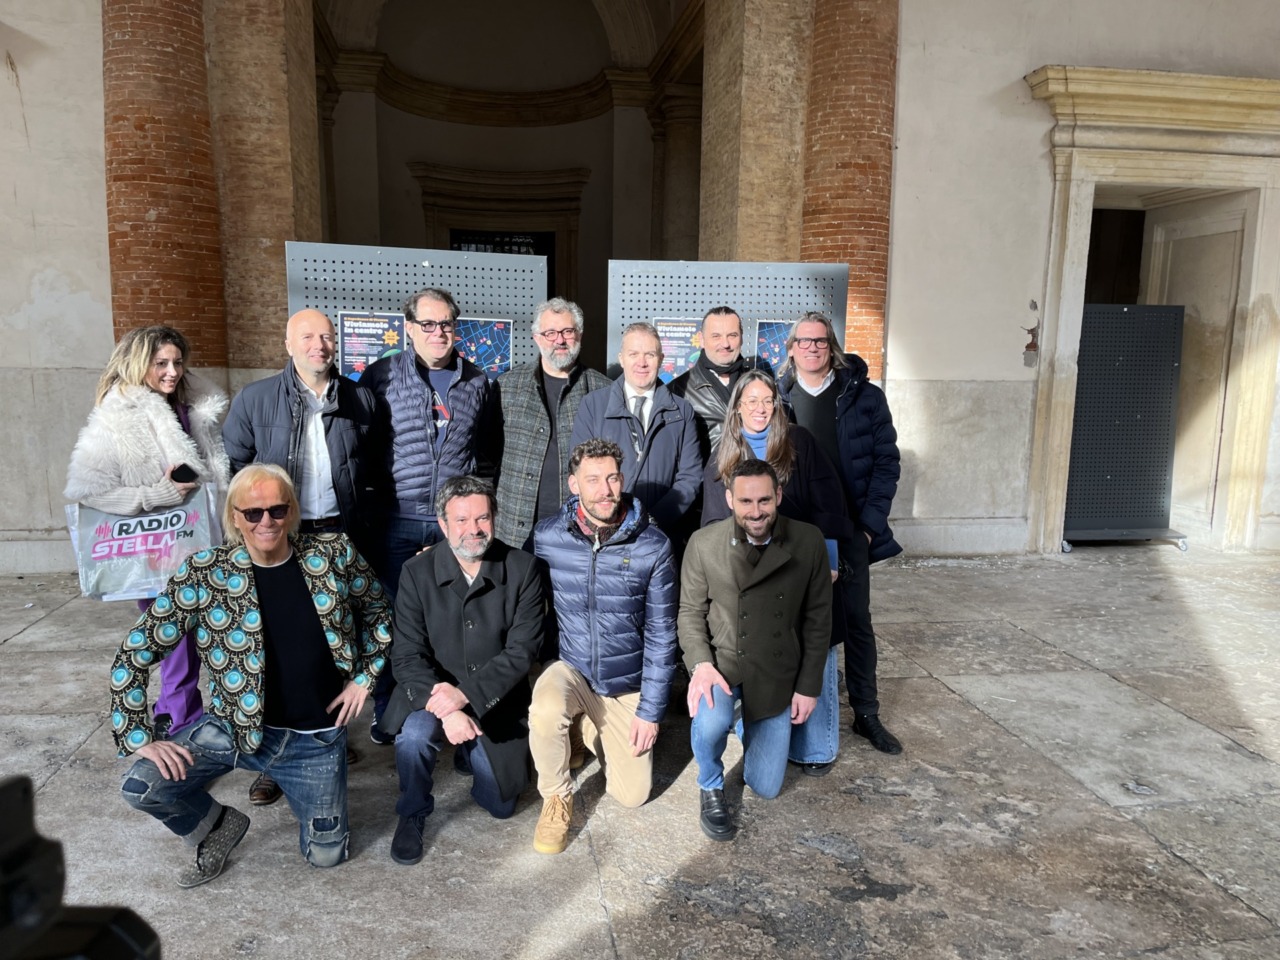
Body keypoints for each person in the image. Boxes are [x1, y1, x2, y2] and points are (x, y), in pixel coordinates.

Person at [111, 464, 392, 887]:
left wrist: (364, 678)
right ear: (235, 516)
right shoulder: (205, 573)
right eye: (253, 513)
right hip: (230, 729)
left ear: (292, 510)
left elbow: (378, 613)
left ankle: (303, 795)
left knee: (327, 856)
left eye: (278, 510)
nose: (267, 522)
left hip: (314, 740)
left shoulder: (334, 554)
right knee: (141, 787)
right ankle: (215, 825)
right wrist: (139, 735)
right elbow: (134, 652)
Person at [222, 308, 376, 805]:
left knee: (333, 643)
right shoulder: (255, 398)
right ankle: (271, 759)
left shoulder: (359, 398)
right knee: (274, 645)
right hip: (277, 536)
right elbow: (237, 467)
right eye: (307, 336)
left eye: (327, 337)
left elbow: (373, 464)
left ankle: (329, 736)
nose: (319, 345)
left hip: (337, 535)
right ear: (288, 344)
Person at [66, 325, 230, 741]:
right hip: (158, 546)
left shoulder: (192, 405)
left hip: (202, 539)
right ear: (139, 364)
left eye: (177, 362)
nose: (172, 371)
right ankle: (182, 720)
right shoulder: (119, 414)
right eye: (160, 363)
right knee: (177, 640)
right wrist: (157, 494)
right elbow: (88, 490)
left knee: (197, 636)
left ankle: (172, 710)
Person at [380, 476, 544, 866]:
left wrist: (466, 695)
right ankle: (412, 811)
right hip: (431, 692)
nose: (474, 529)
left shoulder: (524, 568)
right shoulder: (416, 572)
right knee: (414, 738)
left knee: (500, 805)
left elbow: (522, 652)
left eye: (482, 518)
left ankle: (471, 752)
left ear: (495, 518)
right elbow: (406, 655)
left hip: (495, 697)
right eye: (461, 520)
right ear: (443, 524)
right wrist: (450, 710)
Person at [701, 369, 855, 776]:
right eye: (751, 401)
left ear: (777, 405)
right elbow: (713, 523)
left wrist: (829, 558)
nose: (760, 409)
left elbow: (829, 502)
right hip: (749, 570)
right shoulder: (722, 456)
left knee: (817, 640)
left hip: (803, 562)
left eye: (767, 401)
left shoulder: (799, 442)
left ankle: (816, 748)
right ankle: (760, 729)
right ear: (737, 408)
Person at [528, 439, 678, 855]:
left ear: (622, 479)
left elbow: (663, 633)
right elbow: (513, 584)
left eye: (612, 478)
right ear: (574, 484)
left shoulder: (653, 546)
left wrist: (650, 712)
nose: (604, 490)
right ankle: (556, 797)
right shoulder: (547, 537)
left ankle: (584, 729)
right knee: (546, 708)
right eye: (592, 480)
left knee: (632, 795)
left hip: (625, 683)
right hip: (571, 671)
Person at [361, 287, 496, 742]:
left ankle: (450, 709)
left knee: (454, 616)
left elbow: (486, 452)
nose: (438, 332)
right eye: (428, 324)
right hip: (397, 520)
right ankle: (389, 709)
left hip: (451, 524)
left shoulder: (477, 381)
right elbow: (365, 446)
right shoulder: (381, 376)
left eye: (447, 324)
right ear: (410, 328)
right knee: (391, 618)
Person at [680, 459, 832, 840]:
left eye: (764, 500)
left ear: (778, 495)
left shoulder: (808, 540)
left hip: (774, 668)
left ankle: (744, 719)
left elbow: (818, 620)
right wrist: (700, 665)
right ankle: (710, 784)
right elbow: (689, 613)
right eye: (746, 501)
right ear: (729, 499)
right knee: (710, 721)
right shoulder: (704, 544)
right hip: (723, 664)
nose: (756, 511)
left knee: (766, 786)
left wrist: (808, 686)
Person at [777, 312, 904, 755]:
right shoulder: (778, 399)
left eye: (820, 341)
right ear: (791, 348)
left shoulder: (864, 397)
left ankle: (866, 713)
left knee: (856, 623)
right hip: (795, 532)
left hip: (850, 531)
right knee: (799, 622)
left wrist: (868, 528)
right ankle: (795, 713)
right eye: (804, 341)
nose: (812, 348)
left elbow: (887, 463)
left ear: (831, 346)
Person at [493, 297, 611, 550]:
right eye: (550, 333)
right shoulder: (507, 386)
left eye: (567, 331)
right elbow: (486, 457)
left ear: (579, 335)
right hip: (513, 526)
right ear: (536, 337)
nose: (560, 340)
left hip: (578, 527)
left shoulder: (602, 390)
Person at [569, 322, 702, 538]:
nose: (642, 362)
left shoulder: (682, 411)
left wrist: (651, 521)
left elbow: (690, 477)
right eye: (633, 354)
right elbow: (581, 470)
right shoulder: (593, 405)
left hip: (662, 534)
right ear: (621, 358)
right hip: (606, 531)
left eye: (650, 354)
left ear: (661, 359)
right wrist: (613, 520)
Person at [668, 306, 772, 461]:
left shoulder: (761, 386)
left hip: (757, 474)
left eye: (732, 335)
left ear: (742, 338)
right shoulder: (677, 390)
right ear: (701, 339)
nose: (725, 344)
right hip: (708, 476)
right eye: (716, 336)